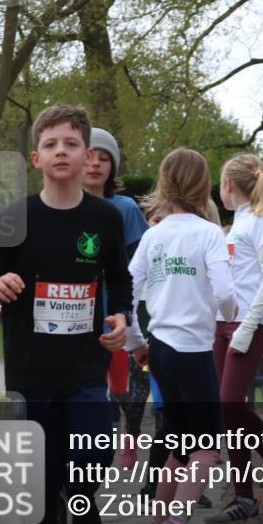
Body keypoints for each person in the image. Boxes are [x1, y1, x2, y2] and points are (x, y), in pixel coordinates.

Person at [0, 104, 133, 524]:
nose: (61, 151)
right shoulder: (14, 217)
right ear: (35, 158)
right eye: (51, 144)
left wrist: (120, 316)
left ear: (88, 155)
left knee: (94, 452)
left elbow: (119, 278)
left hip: (85, 364)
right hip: (30, 368)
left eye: (71, 143)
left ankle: (81, 500)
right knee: (38, 473)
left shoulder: (105, 218)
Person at [124, 148, 236, 524]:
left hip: (160, 351)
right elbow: (225, 294)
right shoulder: (209, 234)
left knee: (178, 442)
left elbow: (128, 292)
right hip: (193, 351)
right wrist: (228, 316)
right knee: (207, 447)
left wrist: (137, 340)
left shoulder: (153, 235)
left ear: (164, 184)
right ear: (204, 186)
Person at [203, 154, 263, 524]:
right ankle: (244, 499)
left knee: (229, 402)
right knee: (227, 411)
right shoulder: (234, 224)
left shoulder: (262, 223)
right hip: (221, 324)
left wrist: (247, 325)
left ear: (228, 185)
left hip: (248, 325)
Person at [83, 128, 151, 471]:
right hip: (72, 316)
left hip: (118, 316)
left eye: (104, 158)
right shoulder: (57, 207)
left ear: (113, 167)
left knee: (128, 390)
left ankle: (130, 435)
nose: (95, 163)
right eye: (90, 155)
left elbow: (139, 267)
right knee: (91, 395)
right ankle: (92, 455)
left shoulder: (124, 208)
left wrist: (132, 314)